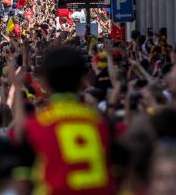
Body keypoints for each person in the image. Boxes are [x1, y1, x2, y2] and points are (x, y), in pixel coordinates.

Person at [20, 46, 114, 194]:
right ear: (82, 81)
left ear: (45, 82)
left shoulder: (35, 127)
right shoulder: (102, 123)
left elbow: (23, 184)